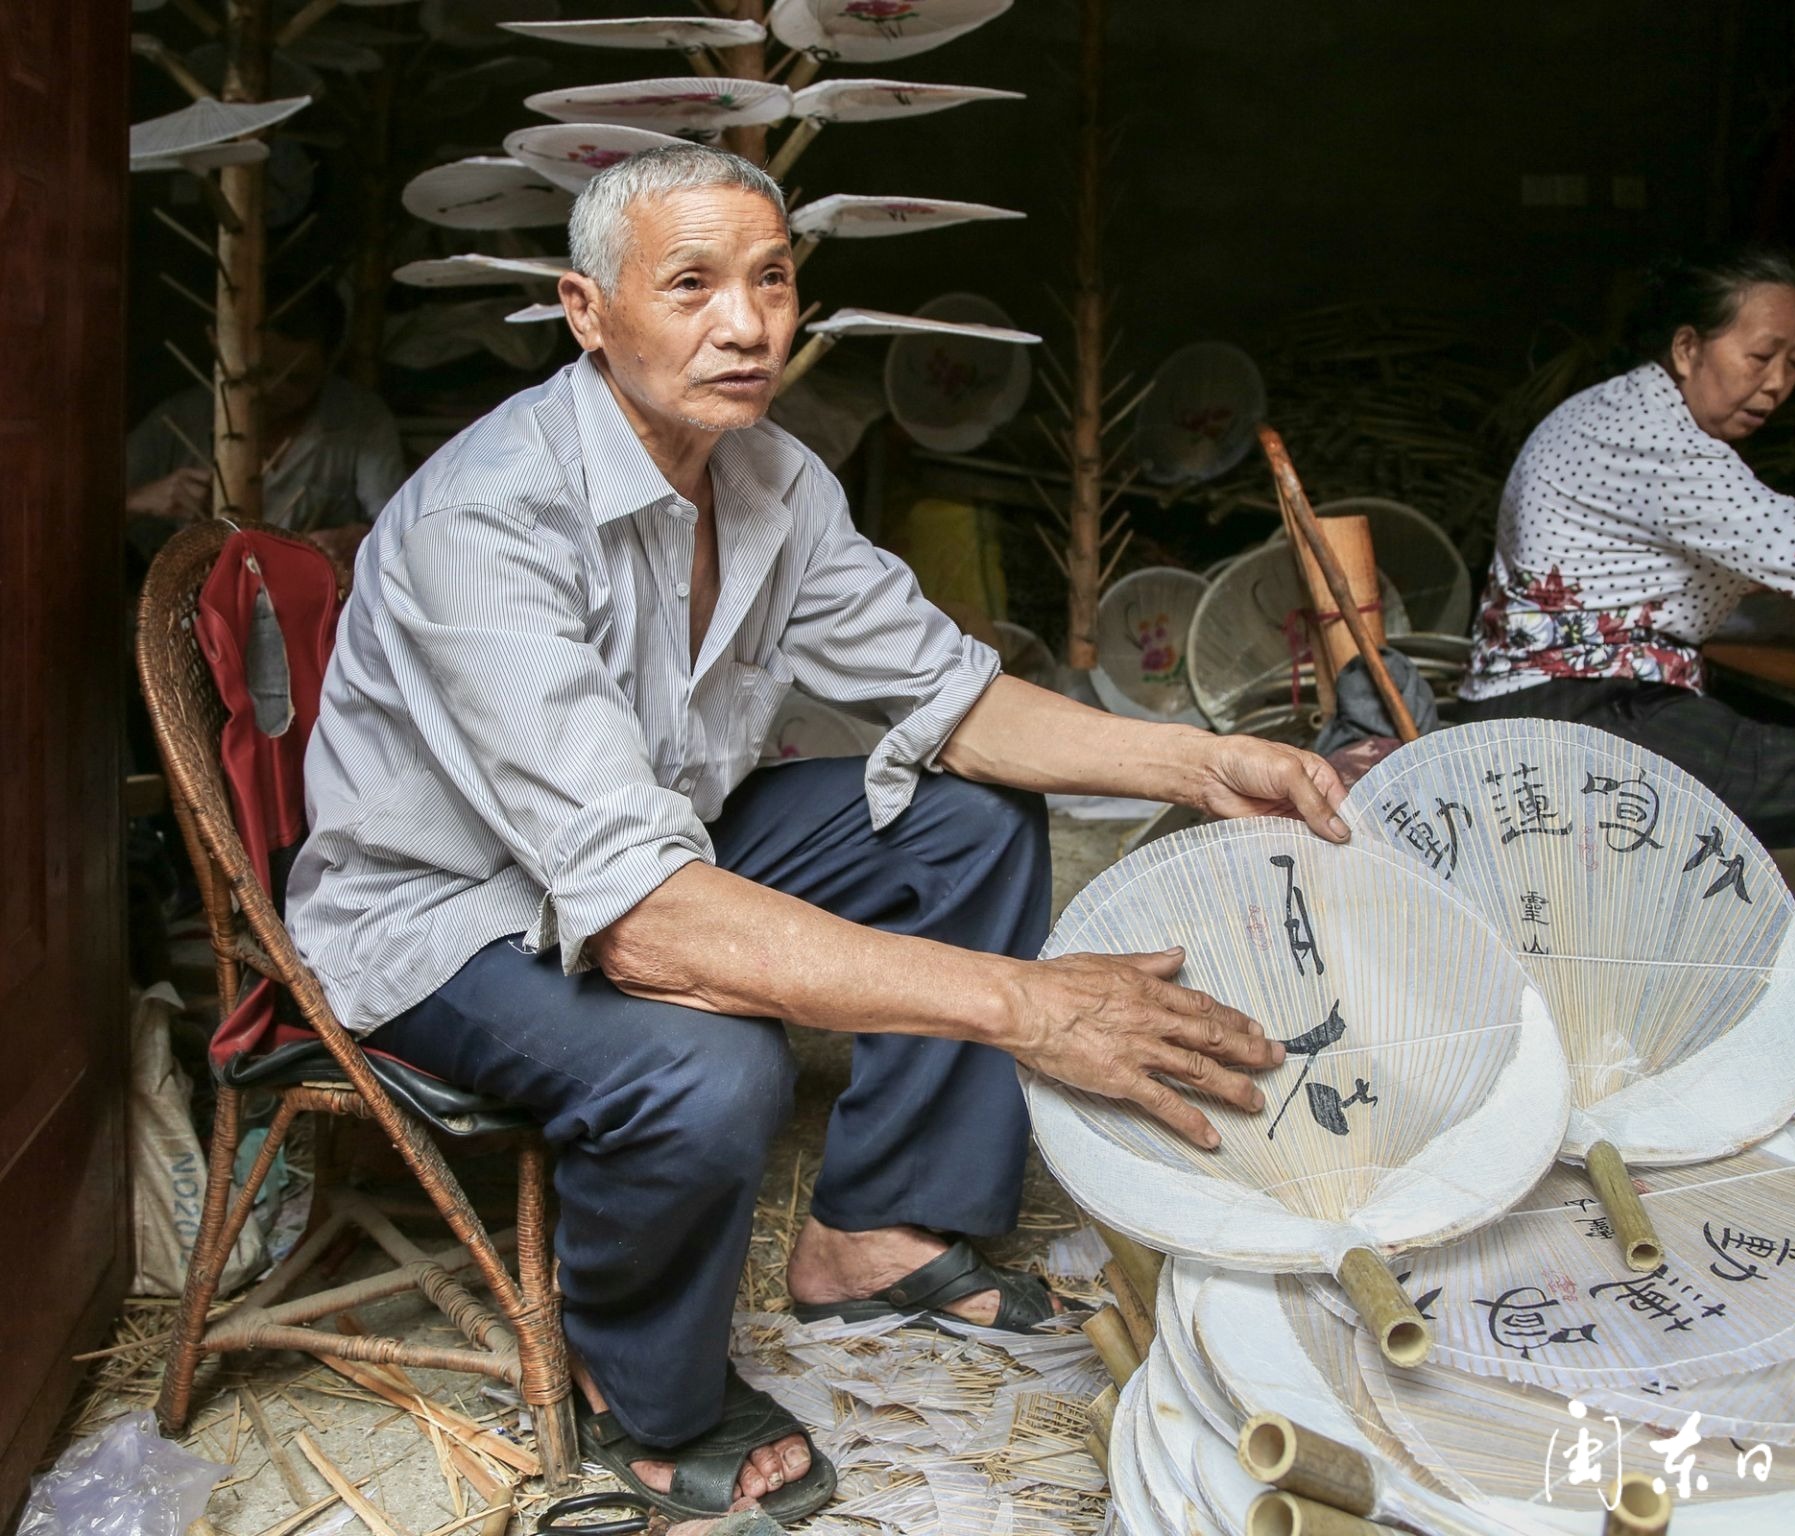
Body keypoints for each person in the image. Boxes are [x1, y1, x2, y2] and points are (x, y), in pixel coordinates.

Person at [286, 145, 1351, 1525]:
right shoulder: (491, 516)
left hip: (661, 841)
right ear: (586, 309)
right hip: (451, 913)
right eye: (691, 285)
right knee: (706, 1057)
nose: (747, 324)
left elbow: (953, 700)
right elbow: (653, 929)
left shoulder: (773, 481)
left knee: (962, 823)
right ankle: (647, 1401)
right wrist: (1027, 1007)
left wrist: (1202, 760)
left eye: (772, 280)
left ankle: (877, 1232)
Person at [1457, 248, 1795, 957]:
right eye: (1761, 354)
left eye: (1794, 363)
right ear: (1687, 346)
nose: (1776, 384)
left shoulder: (1618, 411)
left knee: (1783, 737)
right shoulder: (1659, 442)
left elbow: (1744, 567)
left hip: (1542, 707)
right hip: (1580, 715)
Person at [125, 285, 407, 562]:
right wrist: (140, 499)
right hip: (191, 603)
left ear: (329, 364)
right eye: (262, 373)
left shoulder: (360, 417)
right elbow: (90, 518)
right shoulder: (180, 418)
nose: (274, 391)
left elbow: (401, 529)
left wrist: (358, 539)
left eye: (297, 379)